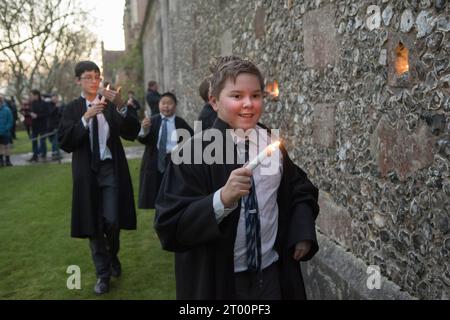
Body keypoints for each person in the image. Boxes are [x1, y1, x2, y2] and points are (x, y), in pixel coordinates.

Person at [154, 56, 319, 300]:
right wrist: (221, 200)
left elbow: (300, 189)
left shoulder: (271, 144)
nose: (248, 104)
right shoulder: (191, 154)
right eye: (237, 96)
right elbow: (169, 226)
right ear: (214, 101)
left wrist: (302, 231)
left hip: (272, 274)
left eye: (256, 95)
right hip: (221, 281)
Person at [58, 60, 140, 295]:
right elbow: (65, 141)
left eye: (97, 76)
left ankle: (112, 254)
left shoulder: (110, 104)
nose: (94, 81)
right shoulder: (73, 109)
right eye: (88, 77)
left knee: (113, 221)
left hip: (110, 170)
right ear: (78, 81)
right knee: (93, 227)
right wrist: (85, 119)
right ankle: (103, 275)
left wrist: (121, 105)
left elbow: (132, 131)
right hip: (87, 173)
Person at [137, 92, 193, 209]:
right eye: (163, 103)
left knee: (172, 188)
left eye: (169, 103)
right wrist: (144, 130)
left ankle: (171, 210)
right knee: (155, 189)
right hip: (155, 160)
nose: (166, 106)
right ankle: (159, 213)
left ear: (175, 105)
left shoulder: (180, 123)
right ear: (158, 105)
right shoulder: (152, 121)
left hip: (173, 160)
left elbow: (191, 140)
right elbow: (143, 140)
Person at [28, 89, 50, 162]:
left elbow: (47, 114)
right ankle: (35, 156)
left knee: (42, 141)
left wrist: (37, 116)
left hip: (42, 126)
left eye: (32, 95)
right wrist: (29, 114)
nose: (31, 97)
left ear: (36, 95)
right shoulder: (32, 103)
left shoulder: (44, 103)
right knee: (34, 141)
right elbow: (30, 112)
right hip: (34, 126)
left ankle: (44, 155)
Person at [47, 94, 64, 160]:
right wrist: (56, 107)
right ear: (51, 98)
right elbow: (50, 113)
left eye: (56, 98)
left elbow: (61, 114)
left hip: (57, 126)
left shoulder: (59, 105)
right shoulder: (49, 105)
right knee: (52, 140)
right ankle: (55, 152)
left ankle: (55, 154)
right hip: (50, 126)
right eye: (54, 98)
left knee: (55, 140)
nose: (55, 100)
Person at [0, 95, 13, 167]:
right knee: (0, 147)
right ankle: (1, 161)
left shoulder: (7, 110)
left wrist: (5, 129)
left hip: (5, 132)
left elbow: (10, 121)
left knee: (7, 146)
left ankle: (8, 161)